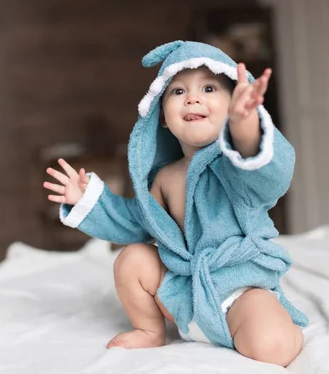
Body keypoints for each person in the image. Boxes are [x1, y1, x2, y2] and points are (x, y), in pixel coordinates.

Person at [43, 40, 308, 366]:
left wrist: (245, 126)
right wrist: (89, 200)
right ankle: (150, 329)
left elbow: (270, 175)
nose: (193, 97)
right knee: (132, 260)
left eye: (209, 88)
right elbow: (137, 223)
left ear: (231, 107)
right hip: (186, 294)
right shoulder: (164, 178)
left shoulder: (236, 166)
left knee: (272, 347)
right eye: (178, 92)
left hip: (240, 288)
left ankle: (276, 325)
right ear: (163, 117)